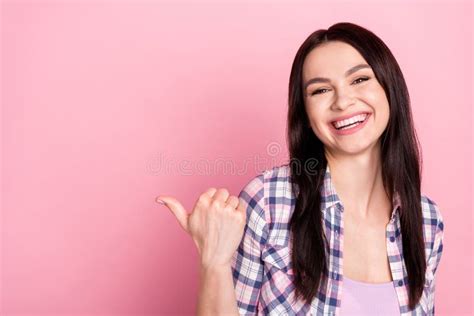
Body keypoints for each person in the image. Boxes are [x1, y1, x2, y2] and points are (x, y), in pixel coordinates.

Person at [157, 22, 445, 315]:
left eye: (359, 80)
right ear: (306, 114)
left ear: (390, 89)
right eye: (320, 90)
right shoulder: (269, 202)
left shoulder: (426, 222)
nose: (343, 101)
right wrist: (215, 262)